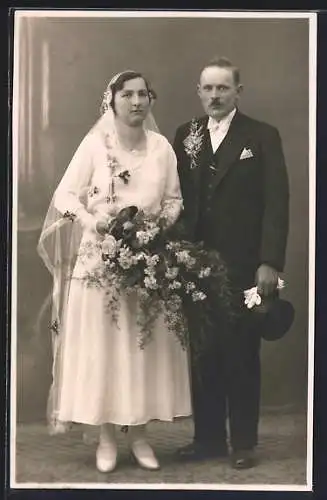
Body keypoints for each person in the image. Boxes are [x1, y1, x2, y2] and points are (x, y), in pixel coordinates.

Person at [37, 70, 192, 473]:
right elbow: (65, 195)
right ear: (113, 100)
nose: (137, 102)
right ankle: (106, 438)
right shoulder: (94, 146)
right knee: (105, 349)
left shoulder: (161, 148)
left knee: (143, 348)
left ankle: (139, 435)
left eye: (144, 94)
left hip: (148, 261)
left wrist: (158, 226)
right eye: (128, 95)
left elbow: (174, 200)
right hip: (101, 263)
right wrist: (94, 223)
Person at [173, 57, 289, 469]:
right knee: (203, 353)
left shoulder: (261, 136)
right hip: (195, 264)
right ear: (199, 91)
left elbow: (277, 203)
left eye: (224, 88)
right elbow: (178, 199)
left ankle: (242, 443)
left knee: (241, 353)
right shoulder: (185, 135)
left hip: (244, 265)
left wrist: (269, 262)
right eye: (208, 88)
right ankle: (207, 439)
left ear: (238, 91)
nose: (215, 96)